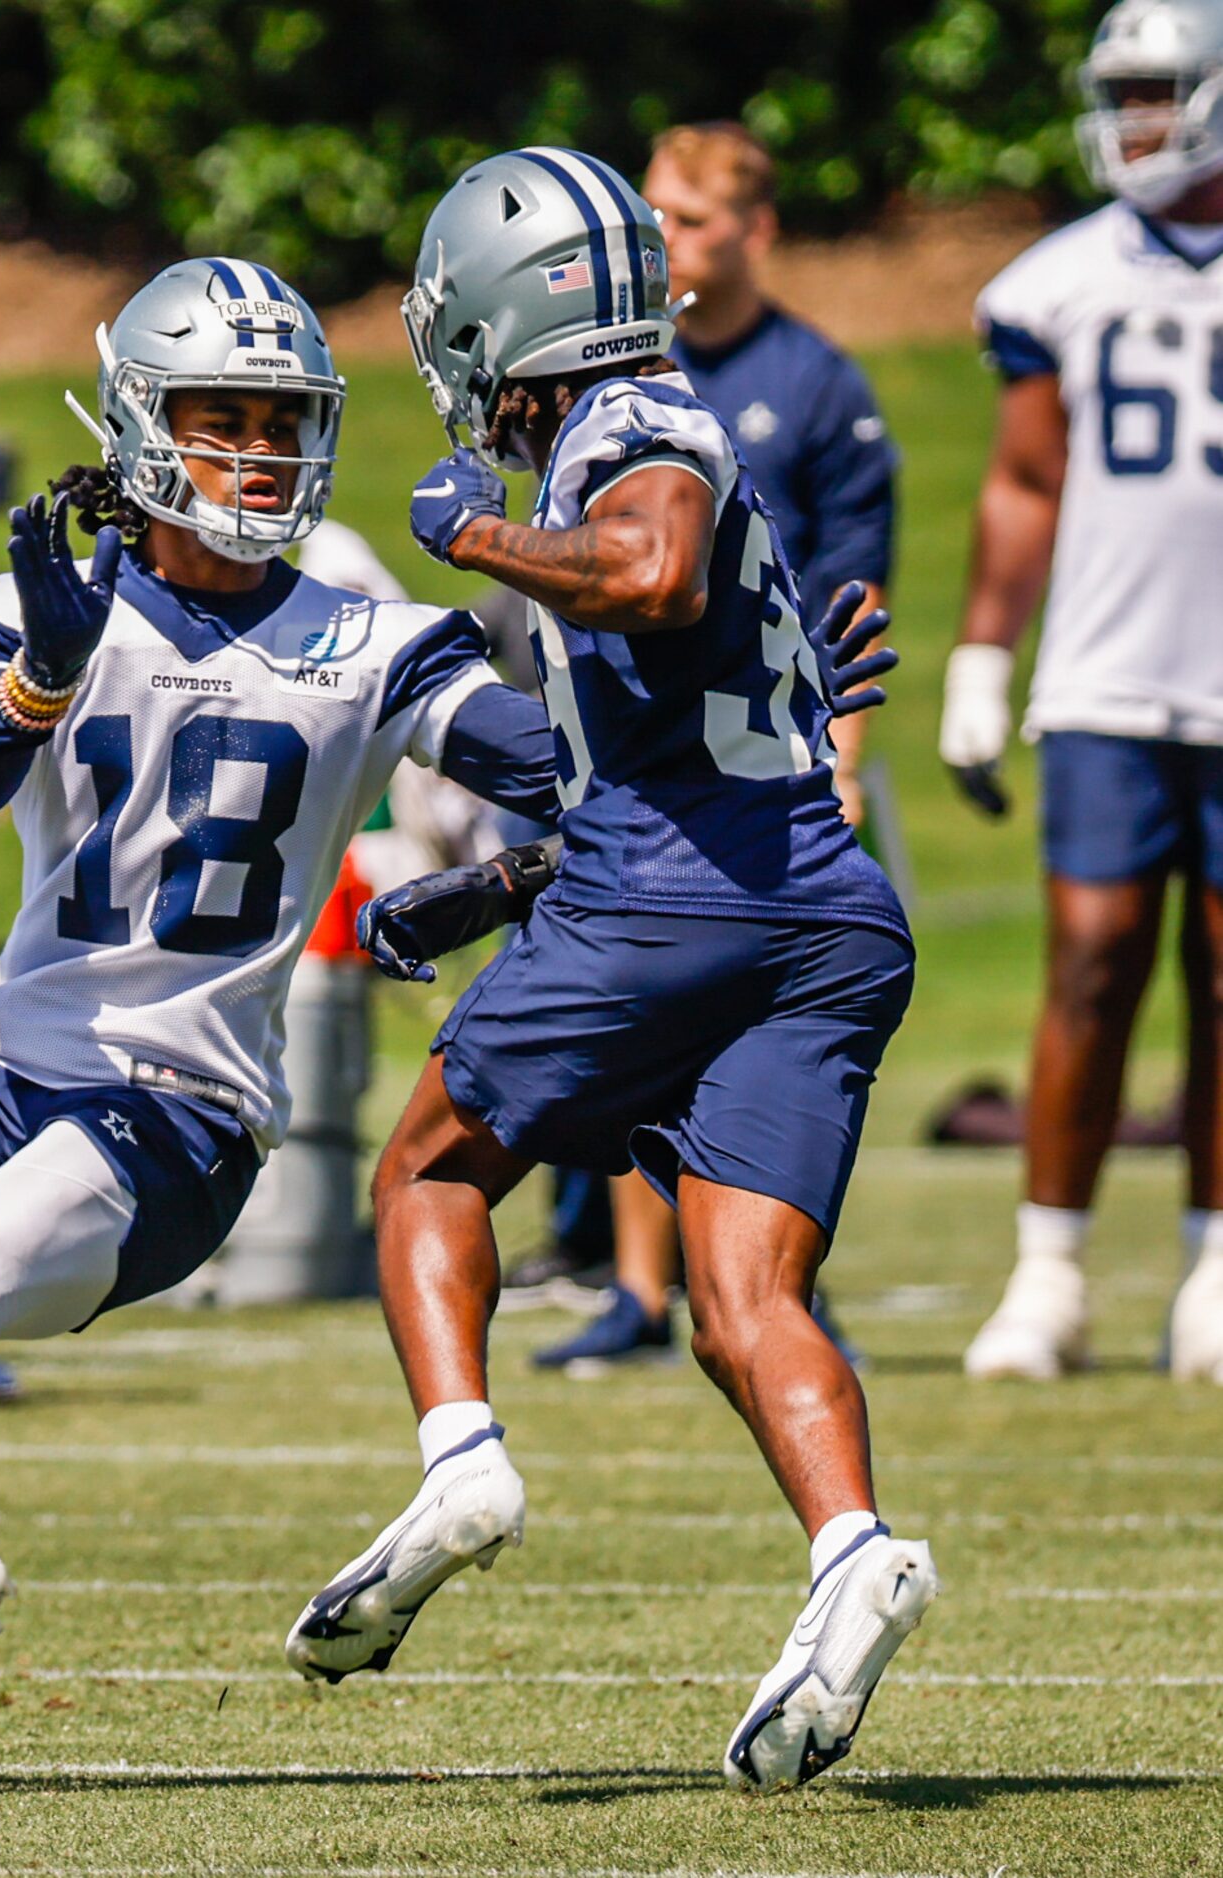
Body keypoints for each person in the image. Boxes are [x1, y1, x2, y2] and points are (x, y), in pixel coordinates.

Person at [0, 254, 575, 1802]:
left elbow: (573, 783)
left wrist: (500, 876)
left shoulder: (374, 638)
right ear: (144, 426)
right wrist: (42, 665)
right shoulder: (34, 602)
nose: (258, 455)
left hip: (180, 1107)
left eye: (282, 422)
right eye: (221, 419)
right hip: (6, 1065)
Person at [284, 147, 937, 1793]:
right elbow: (642, 743)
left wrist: (490, 542)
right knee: (741, 1303)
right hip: (814, 906)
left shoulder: (626, 431)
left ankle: (461, 1463)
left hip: (676, 901)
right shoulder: (656, 437)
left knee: (425, 1172)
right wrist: (493, 883)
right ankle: (851, 1546)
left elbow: (649, 572)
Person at [527, 121, 898, 1369]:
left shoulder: (816, 381)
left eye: (691, 217)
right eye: (656, 217)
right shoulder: (615, 376)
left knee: (772, 1018)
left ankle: (766, 1271)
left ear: (756, 229)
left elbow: (852, 594)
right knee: (644, 998)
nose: (668, 241)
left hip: (775, 747)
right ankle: (639, 1283)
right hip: (637, 741)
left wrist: (838, 754)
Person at [948, 0, 1223, 1383]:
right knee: (1093, 963)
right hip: (1109, 670)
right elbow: (1022, 481)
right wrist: (983, 655)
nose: (1134, 120)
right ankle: (1046, 1267)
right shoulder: (1055, 279)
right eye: (1118, 92)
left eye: (1158, 90)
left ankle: (1212, 1262)